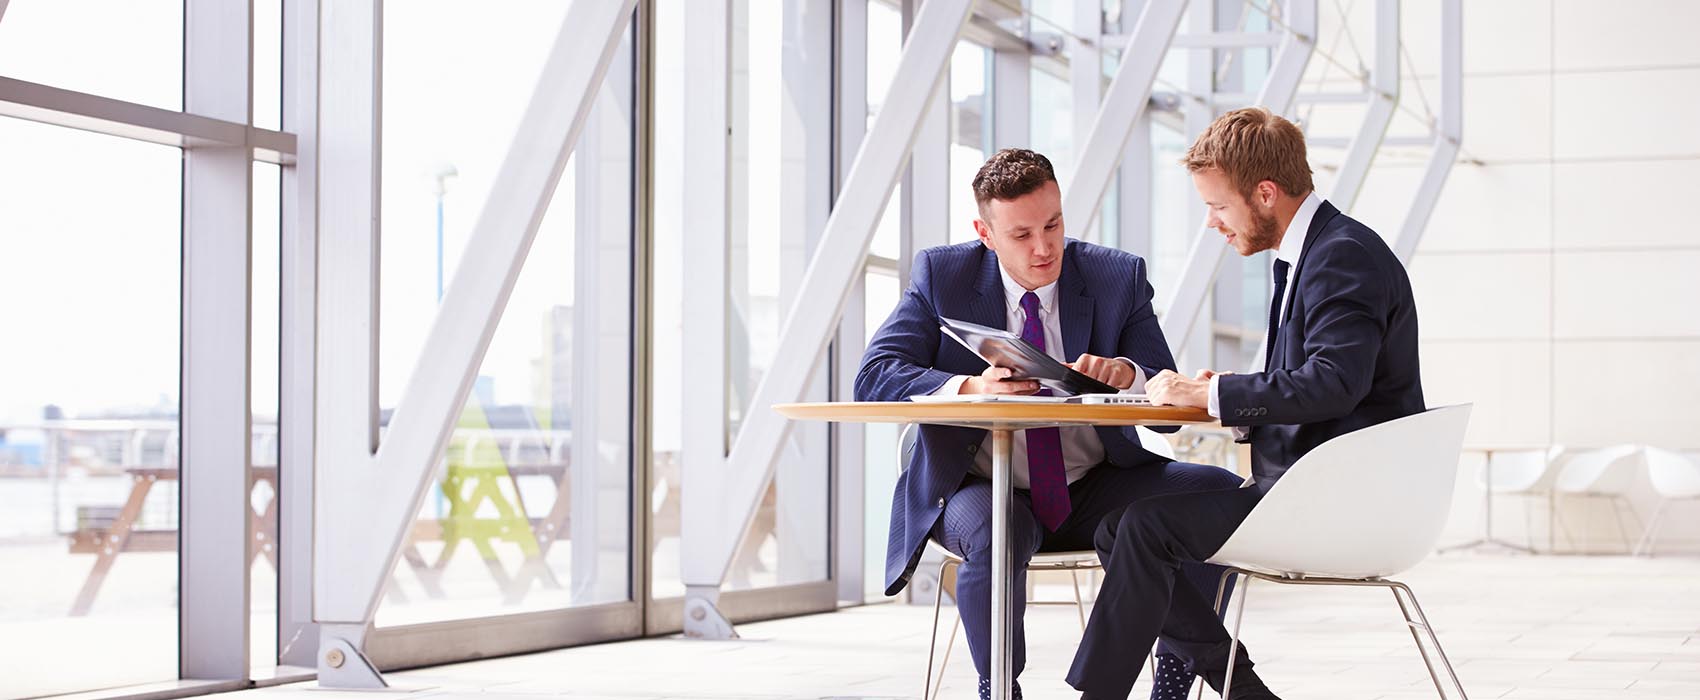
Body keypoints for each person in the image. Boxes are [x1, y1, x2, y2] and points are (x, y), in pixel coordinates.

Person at [855, 148, 1247, 700]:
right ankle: (999, 688)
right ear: (985, 233)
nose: (1043, 248)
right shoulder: (943, 274)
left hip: (1094, 487)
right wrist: (971, 387)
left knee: (1218, 494)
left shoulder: (1116, 276)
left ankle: (1175, 679)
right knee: (998, 532)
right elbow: (874, 375)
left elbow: (1165, 389)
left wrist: (1128, 375)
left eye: (1053, 224)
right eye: (1021, 235)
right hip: (982, 488)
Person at [1065, 107, 1425, 699]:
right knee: (1121, 530)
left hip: (1338, 500)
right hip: (1318, 487)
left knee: (1143, 529)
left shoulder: (1341, 256)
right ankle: (1244, 694)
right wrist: (1227, 393)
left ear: (1265, 193)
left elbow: (1335, 383)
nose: (1211, 223)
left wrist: (1211, 395)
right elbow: (1323, 383)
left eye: (1218, 206)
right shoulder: (1316, 252)